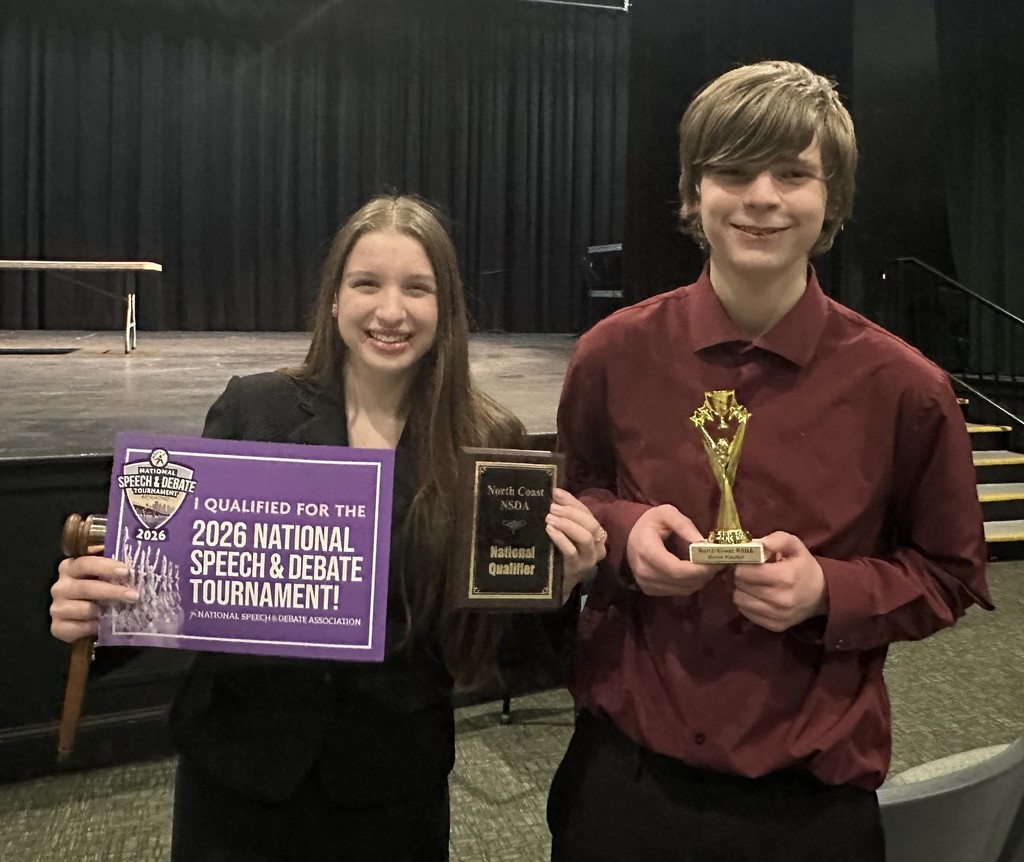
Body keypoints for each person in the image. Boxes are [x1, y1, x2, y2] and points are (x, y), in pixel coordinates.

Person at [49, 193, 606, 862]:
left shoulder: (488, 445)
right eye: (366, 283)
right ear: (335, 298)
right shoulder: (254, 410)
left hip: (390, 788)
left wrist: (557, 584)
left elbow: (497, 647)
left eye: (417, 289)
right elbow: (189, 588)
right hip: (238, 780)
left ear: (446, 308)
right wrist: (97, 612)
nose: (391, 311)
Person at [548, 60, 993, 862]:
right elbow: (577, 489)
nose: (761, 196)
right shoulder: (611, 356)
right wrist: (624, 531)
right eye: (733, 170)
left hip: (809, 808)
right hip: (624, 785)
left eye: (792, 174)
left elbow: (953, 574)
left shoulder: (906, 389)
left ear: (832, 202)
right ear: (694, 192)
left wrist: (833, 589)